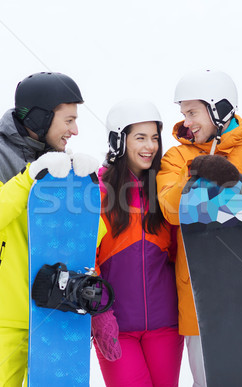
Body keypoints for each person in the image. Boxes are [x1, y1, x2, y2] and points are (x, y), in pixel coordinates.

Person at [0, 72, 100, 386]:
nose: (75, 130)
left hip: (55, 312)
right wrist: (30, 177)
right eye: (69, 120)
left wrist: (87, 190)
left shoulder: (64, 166)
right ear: (40, 116)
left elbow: (91, 239)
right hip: (3, 316)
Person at [156, 69, 242, 386]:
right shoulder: (178, 157)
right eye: (183, 113)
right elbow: (171, 210)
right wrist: (195, 175)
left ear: (219, 108)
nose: (186, 121)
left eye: (192, 112)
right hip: (201, 305)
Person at [92, 99, 184, 386]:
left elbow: (178, 253)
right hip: (116, 325)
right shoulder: (98, 190)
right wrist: (100, 314)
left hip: (166, 325)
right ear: (119, 141)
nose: (150, 146)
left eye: (155, 137)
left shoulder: (165, 188)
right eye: (140, 138)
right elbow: (88, 258)